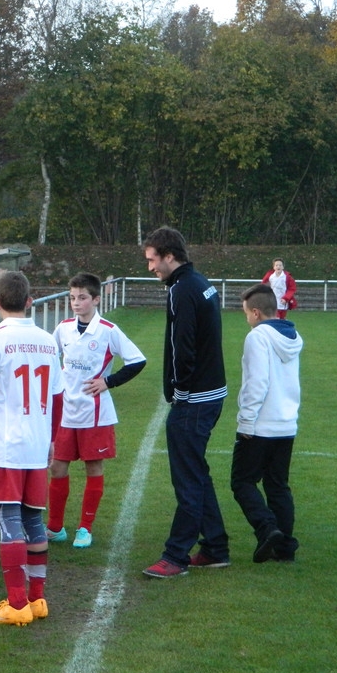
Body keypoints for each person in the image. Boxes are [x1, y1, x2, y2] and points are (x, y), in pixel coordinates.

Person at [0, 271, 64, 626]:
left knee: (8, 518)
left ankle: (17, 604)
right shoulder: (49, 340)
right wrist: (51, 439)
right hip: (36, 444)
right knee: (33, 518)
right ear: (30, 302)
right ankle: (37, 600)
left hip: (6, 447)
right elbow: (58, 397)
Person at [141, 227, 230, 578]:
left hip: (194, 400)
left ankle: (176, 556)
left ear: (168, 255)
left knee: (188, 479)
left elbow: (183, 348)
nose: (150, 267)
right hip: (211, 394)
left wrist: (179, 393)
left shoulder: (181, 290)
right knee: (197, 472)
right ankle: (215, 548)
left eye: (151, 260)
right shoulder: (200, 282)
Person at [46, 272, 147, 549]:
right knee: (57, 466)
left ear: (96, 299)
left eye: (82, 298)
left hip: (96, 412)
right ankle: (55, 527)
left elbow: (138, 361)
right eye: (72, 298)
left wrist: (108, 381)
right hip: (66, 411)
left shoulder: (108, 330)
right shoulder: (63, 328)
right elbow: (49, 357)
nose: (76, 303)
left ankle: (84, 528)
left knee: (93, 466)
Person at [232, 283, 303, 563]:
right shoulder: (293, 336)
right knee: (277, 485)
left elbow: (257, 382)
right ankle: (285, 547)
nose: (246, 318)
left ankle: (267, 528)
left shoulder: (257, 337)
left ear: (257, 313)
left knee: (242, 481)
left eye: (246, 313)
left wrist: (246, 422)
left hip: (260, 425)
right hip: (286, 424)